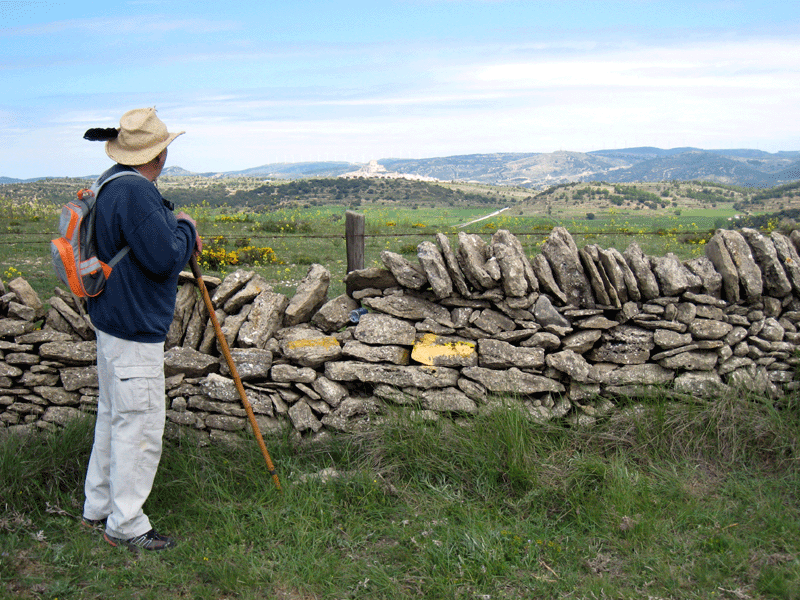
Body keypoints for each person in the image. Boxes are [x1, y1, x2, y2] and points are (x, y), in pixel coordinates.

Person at [80, 107, 202, 551]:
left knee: (114, 417)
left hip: (112, 319)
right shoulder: (136, 192)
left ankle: (97, 508)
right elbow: (164, 258)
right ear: (159, 154)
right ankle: (127, 525)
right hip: (133, 326)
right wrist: (186, 228)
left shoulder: (111, 181)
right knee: (139, 426)